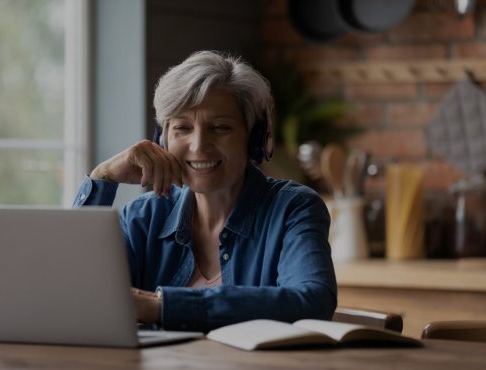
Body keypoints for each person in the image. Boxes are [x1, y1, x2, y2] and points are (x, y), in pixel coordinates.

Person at [73, 50, 337, 332]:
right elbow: (73, 293)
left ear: (255, 139)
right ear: (161, 140)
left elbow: (311, 300)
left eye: (221, 127)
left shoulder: (293, 208)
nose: (199, 145)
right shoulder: (143, 217)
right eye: (182, 128)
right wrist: (102, 179)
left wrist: (162, 306)